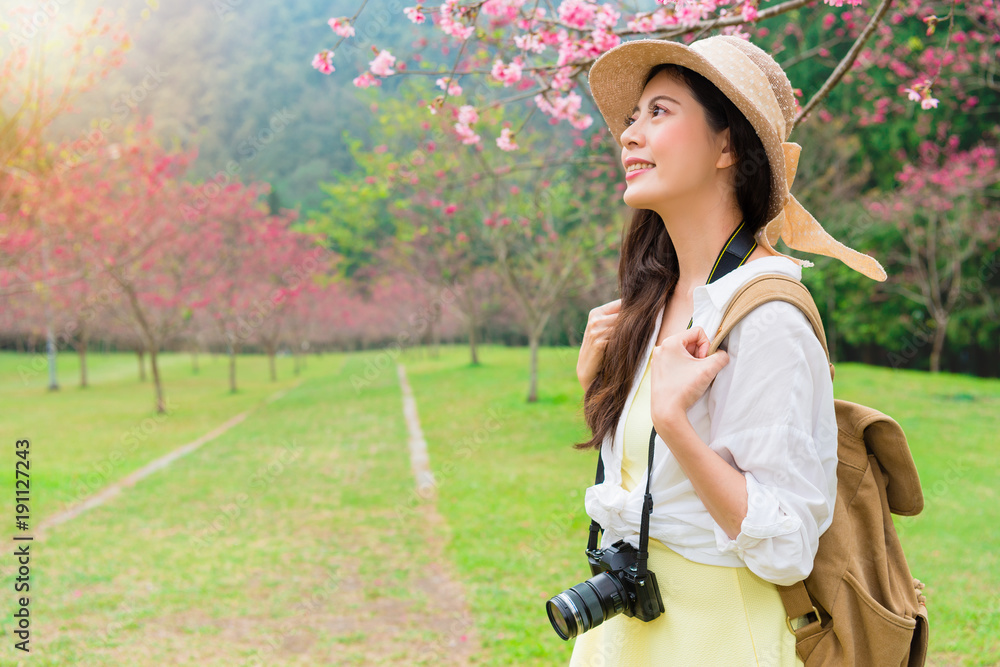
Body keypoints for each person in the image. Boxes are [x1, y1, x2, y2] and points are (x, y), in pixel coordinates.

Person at [568, 35, 887, 665]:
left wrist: (673, 423)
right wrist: (598, 388)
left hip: (714, 634)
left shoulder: (767, 317)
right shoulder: (653, 303)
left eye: (659, 112)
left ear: (728, 145)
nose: (630, 135)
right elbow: (654, 488)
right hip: (627, 628)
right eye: (632, 118)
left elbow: (787, 544)